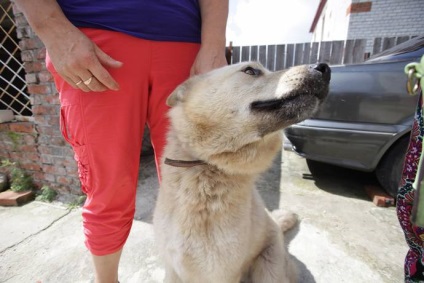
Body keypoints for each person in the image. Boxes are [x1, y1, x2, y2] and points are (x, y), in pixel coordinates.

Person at [13, 1, 229, 282]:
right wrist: (53, 30)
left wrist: (214, 44)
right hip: (95, 39)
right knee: (108, 188)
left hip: (186, 46)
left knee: (194, 189)